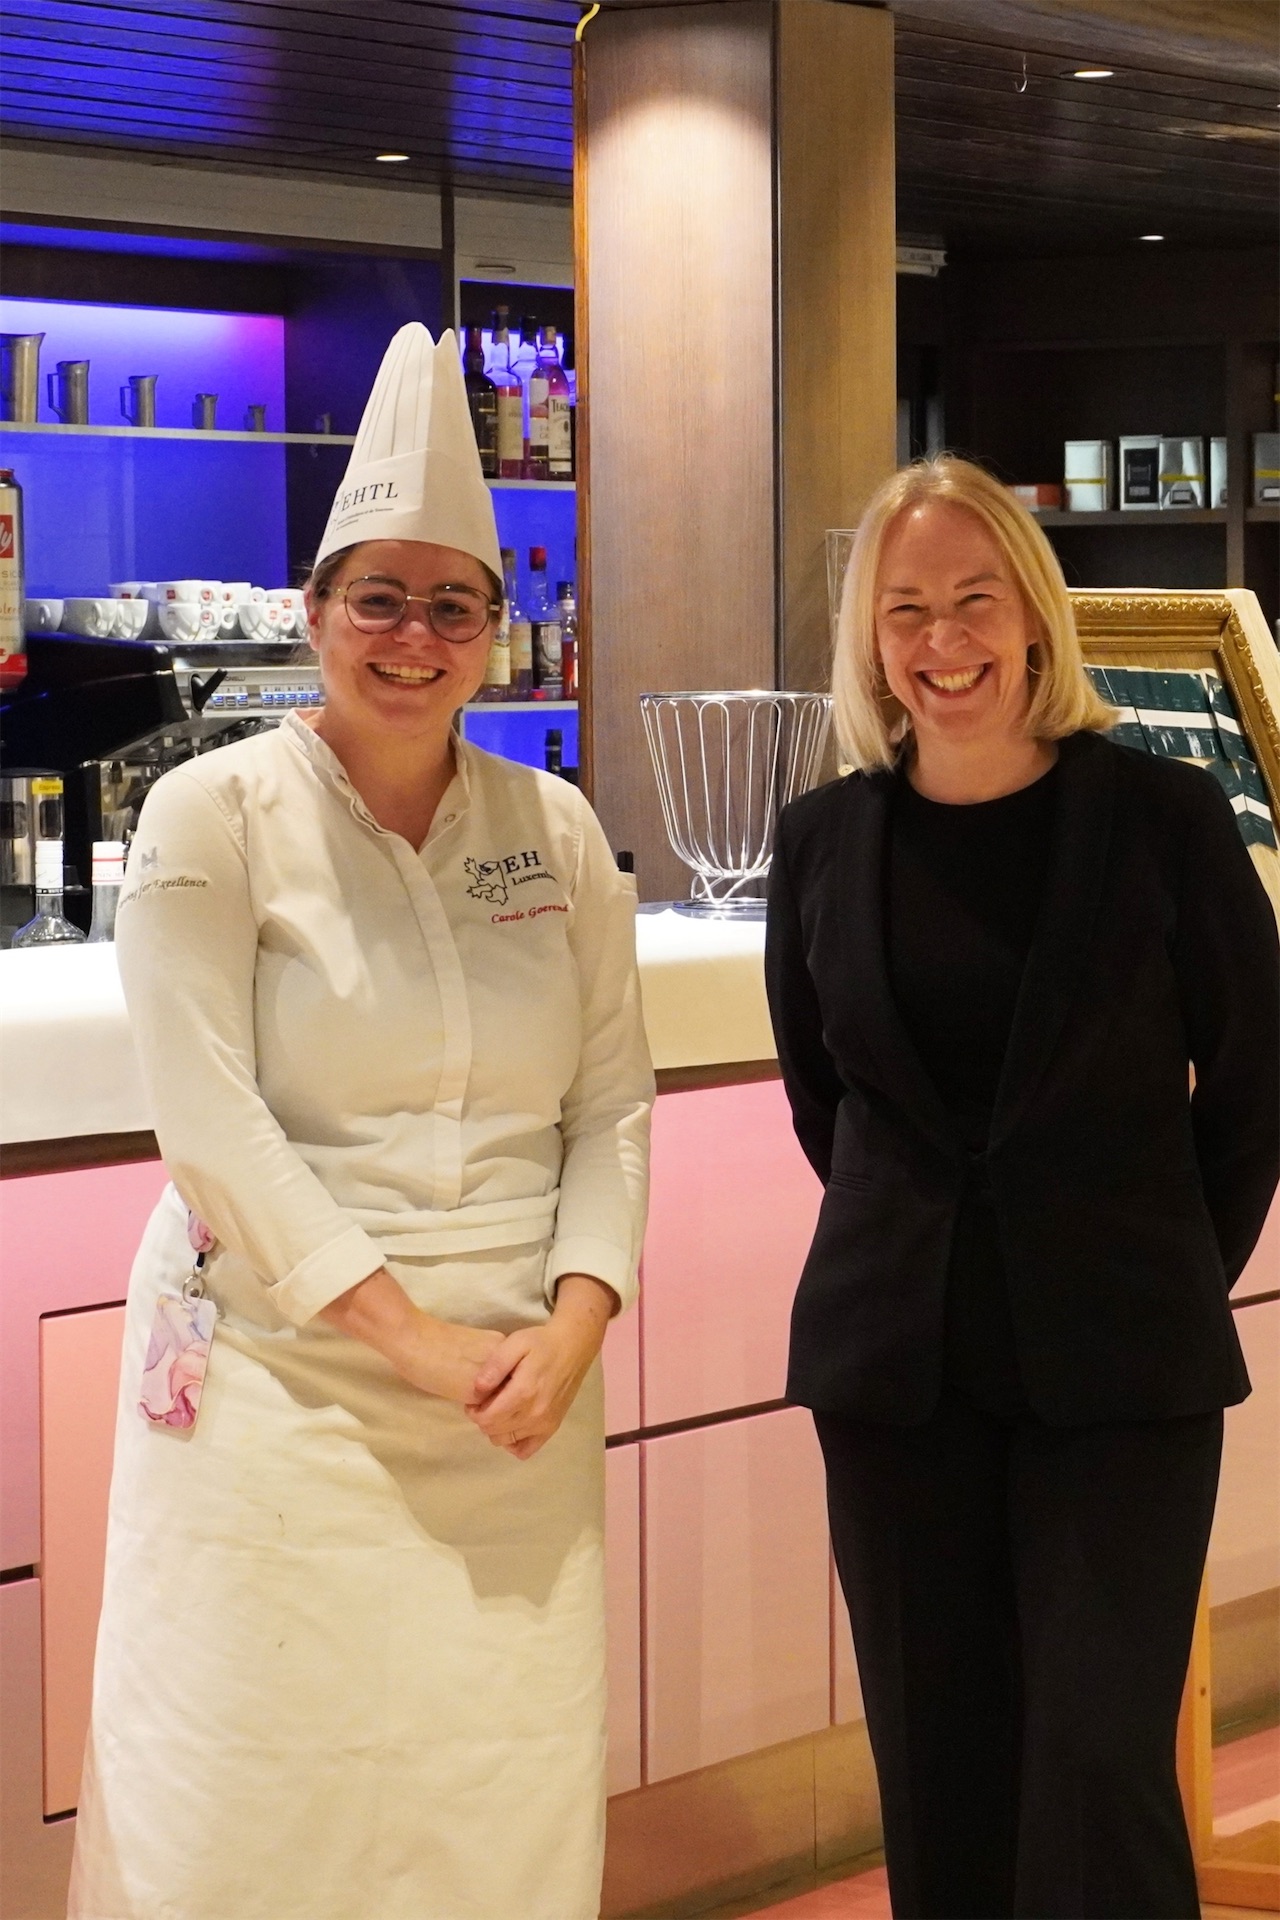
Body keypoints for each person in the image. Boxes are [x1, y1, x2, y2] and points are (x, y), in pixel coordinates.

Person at [70, 324, 653, 1920]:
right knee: (251, 1777)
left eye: (454, 604)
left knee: (495, 1783)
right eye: (379, 598)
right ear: (315, 611)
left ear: (495, 630)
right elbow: (213, 1129)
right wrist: (411, 1341)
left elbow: (612, 1103)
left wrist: (576, 1325)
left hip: (518, 1395)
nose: (415, 636)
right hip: (281, 1380)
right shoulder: (211, 813)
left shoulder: (557, 828)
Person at [765, 455, 1279, 1920]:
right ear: (872, 637)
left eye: (974, 599)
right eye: (907, 609)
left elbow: (1255, 1083)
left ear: (1034, 614)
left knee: (1096, 1769)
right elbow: (828, 1100)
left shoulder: (1166, 820)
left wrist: (1158, 1266)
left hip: (1120, 1371)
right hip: (896, 1375)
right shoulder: (823, 843)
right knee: (940, 1771)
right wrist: (930, 1249)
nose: (944, 641)